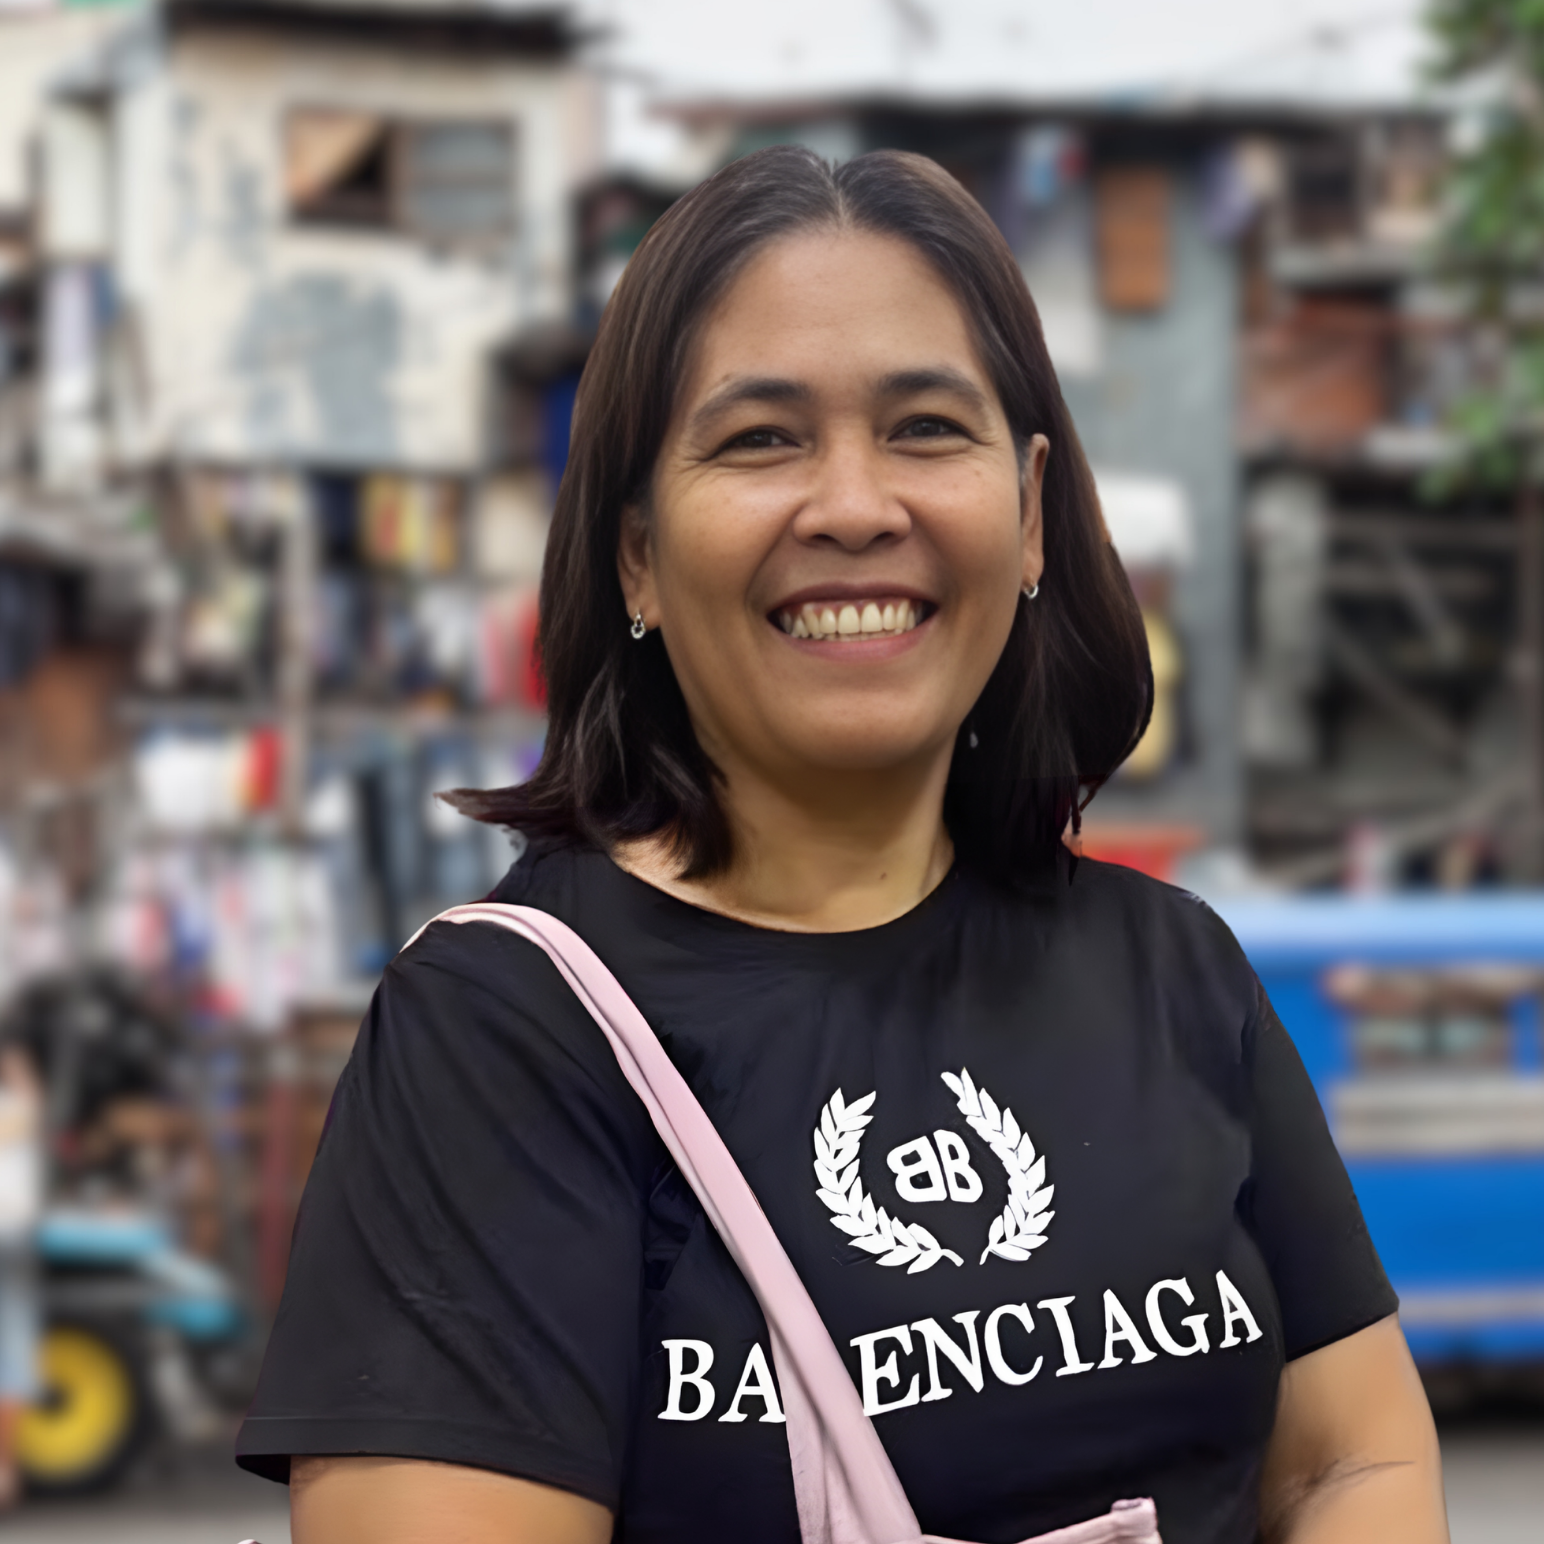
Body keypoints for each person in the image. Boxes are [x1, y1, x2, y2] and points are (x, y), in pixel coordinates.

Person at [236, 147, 1448, 1544]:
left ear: (1032, 510)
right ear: (636, 553)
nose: (858, 506)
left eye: (929, 428)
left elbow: (1349, 1466)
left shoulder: (1175, 970)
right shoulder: (503, 1040)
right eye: (761, 439)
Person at [0, 1042, 42, 1510]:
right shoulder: (19, 1107)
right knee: (12, 1352)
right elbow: (32, 1101)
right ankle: (5, 1473)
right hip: (11, 1230)